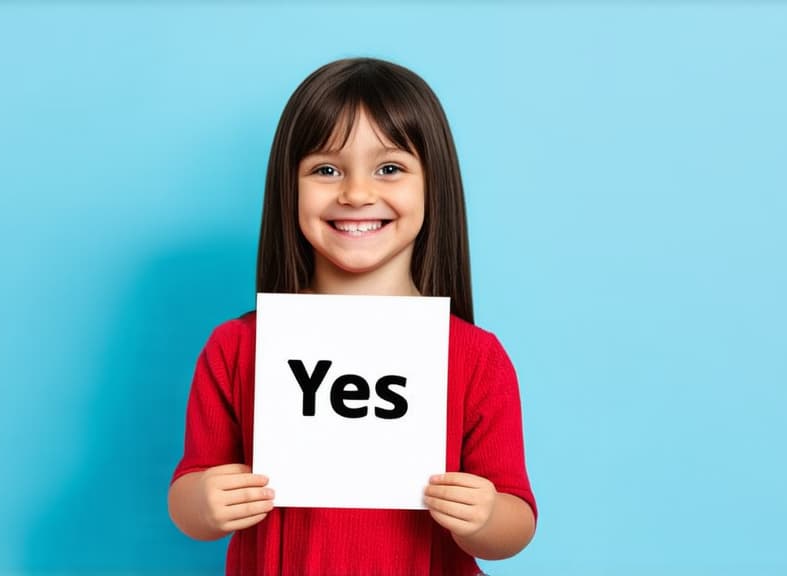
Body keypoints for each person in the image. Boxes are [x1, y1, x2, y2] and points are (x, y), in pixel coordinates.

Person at [167, 57, 536, 575]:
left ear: (433, 185)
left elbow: (516, 521)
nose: (357, 193)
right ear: (287, 188)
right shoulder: (238, 347)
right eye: (325, 169)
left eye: (389, 168)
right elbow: (189, 489)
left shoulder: (475, 357)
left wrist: (485, 515)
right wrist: (204, 502)